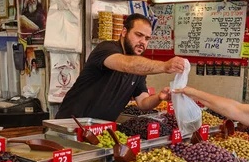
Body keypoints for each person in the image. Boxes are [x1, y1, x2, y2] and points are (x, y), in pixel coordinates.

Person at [56, 14, 185, 121]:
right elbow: (126, 64)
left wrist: (158, 97)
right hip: (71, 124)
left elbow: (143, 103)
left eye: (147, 38)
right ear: (124, 32)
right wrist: (165, 66)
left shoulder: (138, 69)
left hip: (101, 131)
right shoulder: (106, 49)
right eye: (138, 35)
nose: (143, 42)